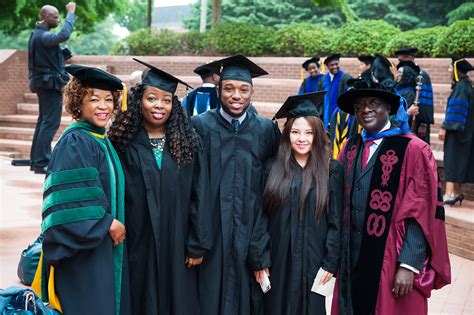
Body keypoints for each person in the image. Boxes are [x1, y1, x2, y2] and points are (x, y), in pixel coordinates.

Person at [332, 80, 451, 315]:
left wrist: (409, 265)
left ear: (388, 107)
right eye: (359, 106)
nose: (365, 110)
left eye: (373, 103)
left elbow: (423, 211)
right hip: (351, 258)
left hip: (390, 260)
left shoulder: (413, 149)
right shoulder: (350, 146)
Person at [108, 58, 211, 314]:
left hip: (178, 242)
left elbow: (201, 193)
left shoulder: (188, 142)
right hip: (136, 240)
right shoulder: (123, 142)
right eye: (152, 98)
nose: (159, 106)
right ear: (138, 100)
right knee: (141, 298)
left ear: (174, 105)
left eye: (166, 100)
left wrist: (197, 243)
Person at [31, 65, 130, 315]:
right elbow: (70, 200)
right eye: (94, 99)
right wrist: (107, 222)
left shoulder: (98, 139)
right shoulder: (76, 141)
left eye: (109, 100)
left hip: (100, 247)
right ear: (79, 102)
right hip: (83, 250)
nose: (103, 106)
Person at [191, 54, 280, 315]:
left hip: (250, 230)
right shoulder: (200, 125)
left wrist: (261, 244)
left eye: (243, 89)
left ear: (252, 91)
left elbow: (273, 185)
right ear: (218, 90)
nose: (236, 95)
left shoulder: (265, 130)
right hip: (211, 231)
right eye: (228, 88)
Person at [262, 92, 342, 315]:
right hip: (278, 260)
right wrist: (260, 258)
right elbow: (261, 217)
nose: (302, 138)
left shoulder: (331, 170)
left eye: (308, 132)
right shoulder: (272, 169)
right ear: (287, 134)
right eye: (295, 132)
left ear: (317, 134)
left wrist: (330, 263)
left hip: (314, 261)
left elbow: (336, 222)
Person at [28, 2, 77, 174]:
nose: (58, 19)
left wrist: (61, 56)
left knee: (43, 121)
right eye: (55, 17)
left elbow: (45, 60)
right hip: (49, 86)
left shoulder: (37, 35)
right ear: (45, 17)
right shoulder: (43, 36)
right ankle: (42, 162)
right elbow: (64, 34)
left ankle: (36, 161)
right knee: (50, 123)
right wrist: (71, 13)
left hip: (44, 83)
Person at [438, 55, 474, 205]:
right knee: (459, 160)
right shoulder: (467, 87)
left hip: (456, 131)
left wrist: (444, 127)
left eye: (450, 67)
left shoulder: (460, 88)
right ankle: (457, 192)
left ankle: (450, 193)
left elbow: (455, 112)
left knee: (452, 159)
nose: (448, 70)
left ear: (455, 70)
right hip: (466, 132)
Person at [395, 47, 434, 143]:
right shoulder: (404, 72)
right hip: (407, 116)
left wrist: (423, 124)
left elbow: (425, 101)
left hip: (418, 120)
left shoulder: (421, 75)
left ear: (408, 57)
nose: (399, 63)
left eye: (401, 60)